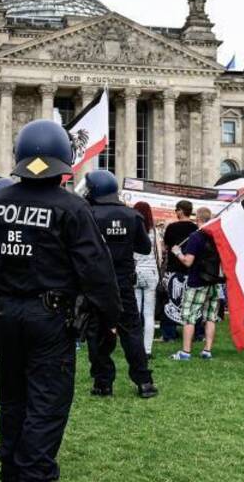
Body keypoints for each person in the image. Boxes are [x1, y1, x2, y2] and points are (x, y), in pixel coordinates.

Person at [0, 119, 120, 482]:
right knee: (47, 403)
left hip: (5, 313)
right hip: (49, 319)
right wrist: (111, 318)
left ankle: (12, 467)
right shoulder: (70, 208)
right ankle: (35, 472)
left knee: (12, 400)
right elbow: (96, 271)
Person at [83, 170, 157, 398]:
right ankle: (144, 382)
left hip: (97, 284)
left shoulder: (89, 215)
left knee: (97, 333)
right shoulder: (132, 216)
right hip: (124, 283)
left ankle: (103, 383)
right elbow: (144, 248)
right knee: (132, 332)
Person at [170, 207, 224, 361]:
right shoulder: (217, 236)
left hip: (197, 281)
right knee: (210, 317)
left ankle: (185, 352)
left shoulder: (196, 236)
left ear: (198, 219)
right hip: (214, 281)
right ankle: (207, 350)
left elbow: (188, 261)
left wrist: (177, 252)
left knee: (189, 316)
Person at [160, 200, 197, 342]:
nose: (175, 213)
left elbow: (165, 247)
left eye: (176, 210)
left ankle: (169, 334)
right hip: (191, 270)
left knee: (170, 301)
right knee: (192, 303)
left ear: (180, 211)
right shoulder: (195, 228)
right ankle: (196, 333)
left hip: (174, 270)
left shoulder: (172, 228)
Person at [133, 201, 159, 358]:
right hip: (150, 272)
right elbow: (158, 254)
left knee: (135, 312)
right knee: (149, 314)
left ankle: (134, 346)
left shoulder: (132, 229)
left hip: (135, 271)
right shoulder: (153, 232)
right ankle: (147, 350)